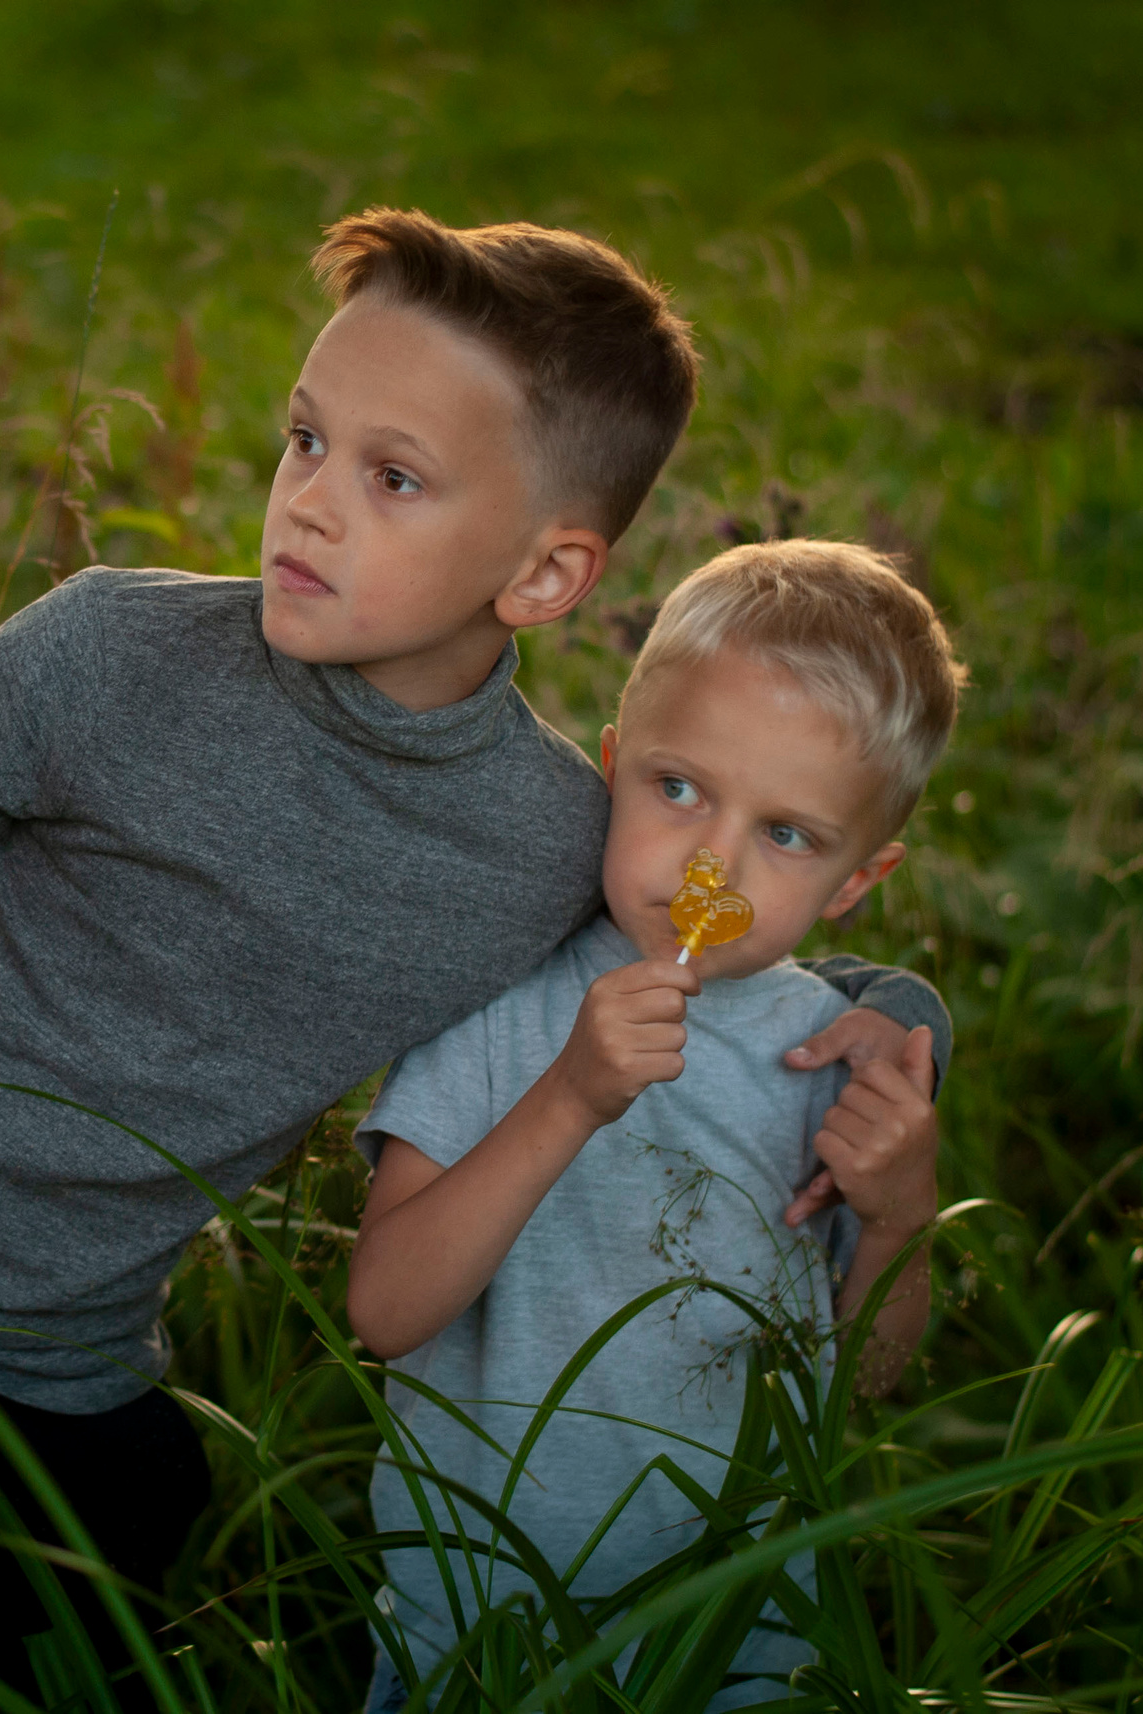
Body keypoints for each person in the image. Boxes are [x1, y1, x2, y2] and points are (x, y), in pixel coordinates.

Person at [0, 210, 950, 1710]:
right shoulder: (104, 653)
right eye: (304, 440)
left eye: (392, 476)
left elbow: (713, 907)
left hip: (55, 1370)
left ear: (546, 574)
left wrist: (888, 1022)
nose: (309, 506)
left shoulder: (540, 837)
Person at [344, 539, 962, 1710]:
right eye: (677, 789)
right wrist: (569, 1094)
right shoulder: (499, 1001)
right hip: (476, 1629)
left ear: (854, 884)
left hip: (735, 1634)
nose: (707, 863)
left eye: (786, 835)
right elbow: (383, 1311)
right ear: (612, 767)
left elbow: (862, 1383)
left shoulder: (834, 1064)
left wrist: (897, 1223)